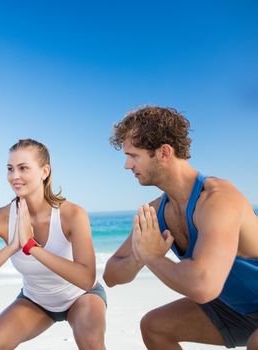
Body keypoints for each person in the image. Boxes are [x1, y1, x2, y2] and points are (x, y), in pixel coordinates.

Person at [103, 106, 258, 349]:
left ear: (164, 152)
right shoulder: (157, 211)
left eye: (134, 155)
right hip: (236, 310)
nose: (127, 165)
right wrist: (140, 256)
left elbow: (204, 286)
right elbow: (111, 275)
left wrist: (152, 257)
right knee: (155, 327)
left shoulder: (217, 199)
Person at [0, 139, 107, 350]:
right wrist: (13, 246)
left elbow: (86, 279)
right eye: (10, 169)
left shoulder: (72, 214)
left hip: (81, 296)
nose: (14, 176)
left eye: (23, 168)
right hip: (36, 300)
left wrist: (31, 247)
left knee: (91, 342)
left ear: (44, 171)